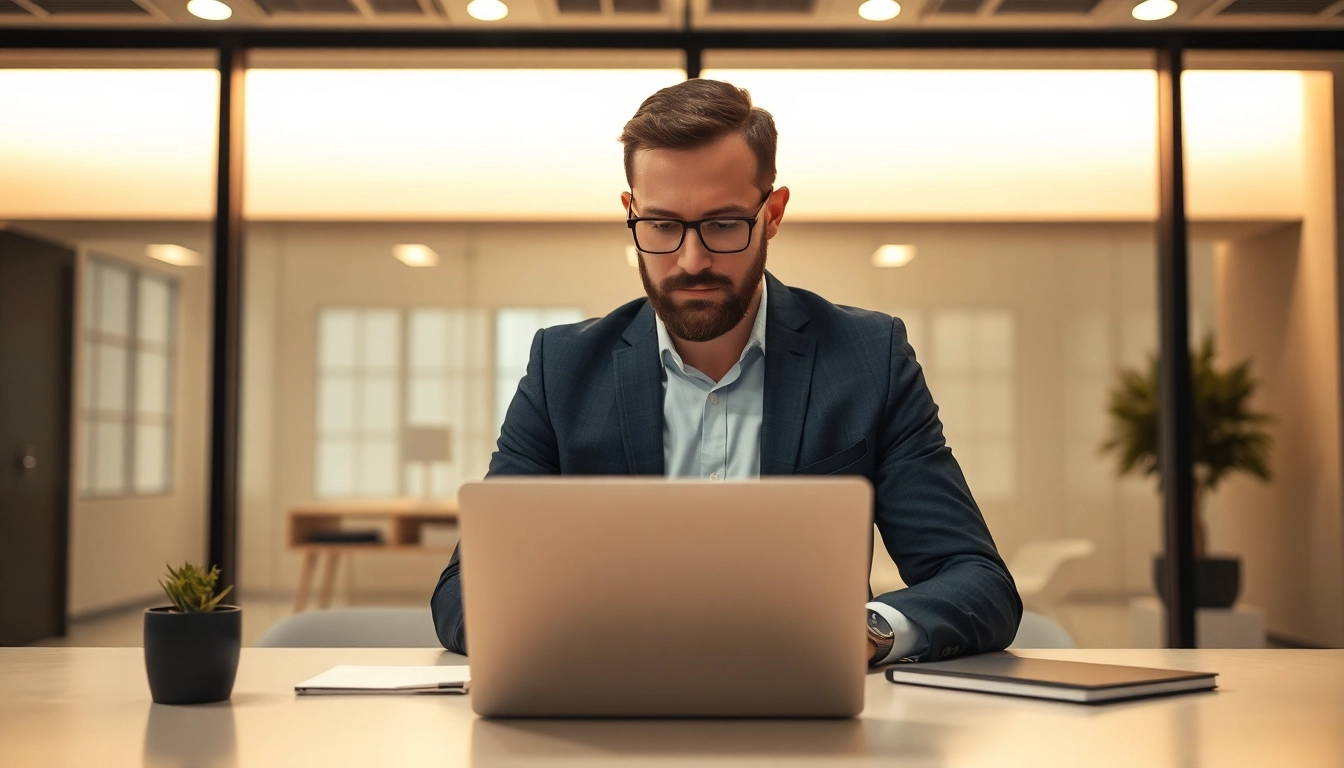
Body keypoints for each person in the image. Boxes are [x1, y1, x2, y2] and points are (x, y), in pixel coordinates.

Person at [432, 78, 1021, 665]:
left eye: (722, 224)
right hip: (608, 716)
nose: (692, 261)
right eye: (662, 226)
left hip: (809, 723)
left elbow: (976, 579)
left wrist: (868, 630)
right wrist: (577, 634)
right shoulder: (561, 369)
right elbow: (463, 591)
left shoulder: (869, 358)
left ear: (774, 213)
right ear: (629, 212)